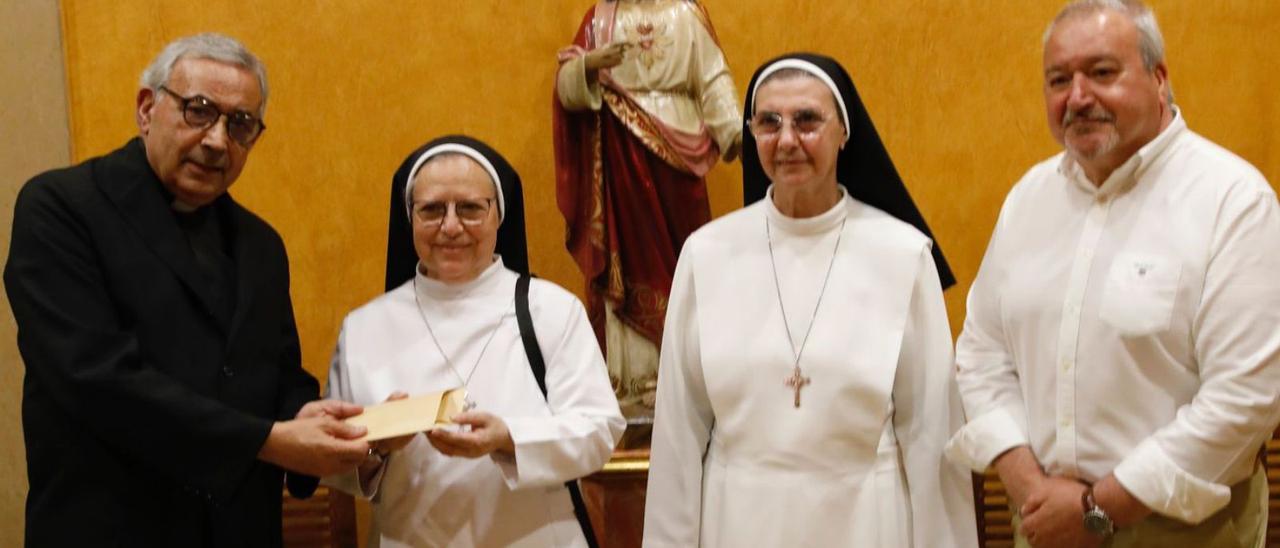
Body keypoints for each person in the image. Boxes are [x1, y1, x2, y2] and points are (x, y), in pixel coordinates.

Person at [4, 33, 370, 547]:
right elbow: (96, 378)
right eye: (199, 111)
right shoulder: (61, 209)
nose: (218, 140)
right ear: (147, 108)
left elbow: (277, 371)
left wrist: (305, 415)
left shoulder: (261, 244)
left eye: (240, 124)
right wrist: (268, 441)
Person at [944, 2, 1280, 546]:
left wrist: (1098, 509)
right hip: (1045, 522)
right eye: (1059, 80)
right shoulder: (1029, 199)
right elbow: (982, 355)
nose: (1077, 97)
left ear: (1159, 77)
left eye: (1102, 72)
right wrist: (1032, 487)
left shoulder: (1233, 202)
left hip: (1184, 530)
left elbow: (1245, 398)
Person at [643, 53, 975, 547]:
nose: (787, 140)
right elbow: (678, 432)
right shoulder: (706, 254)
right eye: (769, 122)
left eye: (807, 121)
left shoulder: (902, 254)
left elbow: (931, 435)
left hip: (866, 518)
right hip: (738, 520)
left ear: (845, 131)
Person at [325, 135, 625, 547]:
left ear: (498, 215)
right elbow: (334, 462)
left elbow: (599, 431)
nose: (450, 227)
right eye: (431, 210)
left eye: (469, 208)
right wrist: (376, 449)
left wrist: (507, 438)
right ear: (408, 217)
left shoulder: (552, 310)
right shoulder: (362, 329)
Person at [553, 0, 743, 417]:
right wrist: (587, 68)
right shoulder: (601, 17)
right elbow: (566, 85)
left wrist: (734, 132)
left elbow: (712, 78)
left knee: (684, 262)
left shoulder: (686, 13)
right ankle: (637, 377)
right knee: (631, 259)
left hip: (679, 161)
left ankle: (687, 373)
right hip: (620, 155)